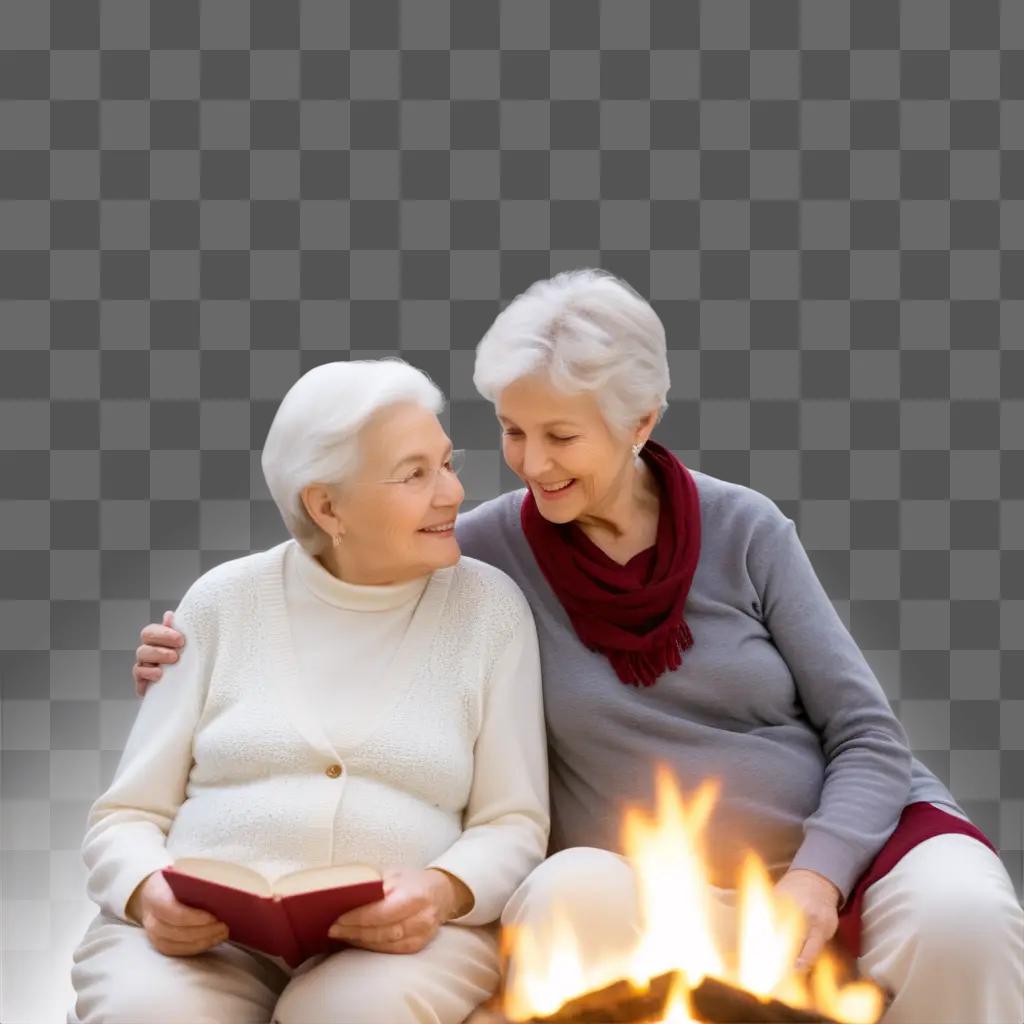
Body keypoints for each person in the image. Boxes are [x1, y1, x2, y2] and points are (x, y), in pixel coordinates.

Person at [134, 270, 1024, 1024]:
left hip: (849, 854)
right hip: (644, 876)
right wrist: (200, 651)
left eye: (561, 436)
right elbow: (337, 576)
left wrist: (817, 884)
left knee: (964, 915)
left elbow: (867, 736)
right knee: (564, 903)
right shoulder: (476, 553)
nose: (529, 462)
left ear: (640, 422)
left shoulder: (745, 528)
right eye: (513, 430)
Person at [72, 359, 549, 1024]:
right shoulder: (222, 601)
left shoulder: (491, 612)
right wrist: (146, 891)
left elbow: (514, 822)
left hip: (406, 942)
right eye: (415, 474)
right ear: (328, 506)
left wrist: (440, 893)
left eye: (447, 463)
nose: (453, 493)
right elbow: (124, 815)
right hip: (202, 942)